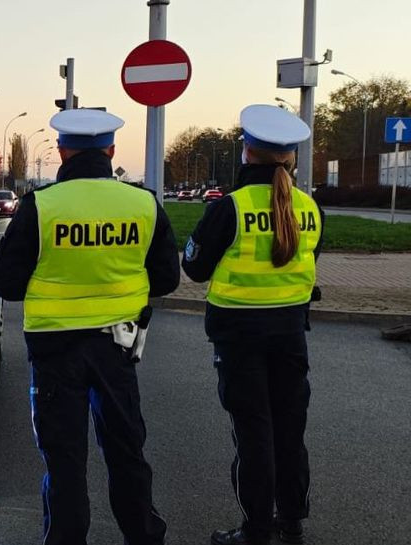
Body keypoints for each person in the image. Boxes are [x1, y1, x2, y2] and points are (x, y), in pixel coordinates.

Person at [0, 108, 179, 545]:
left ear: (61, 151)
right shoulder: (143, 203)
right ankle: (144, 536)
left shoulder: (42, 206)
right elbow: (167, 279)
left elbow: (8, 285)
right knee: (127, 453)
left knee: (65, 461)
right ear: (111, 150)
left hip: (55, 354)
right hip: (118, 347)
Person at [181, 105, 323, 545]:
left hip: (239, 338)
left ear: (247, 153)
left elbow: (196, 268)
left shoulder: (230, 208)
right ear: (290, 158)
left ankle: (256, 530)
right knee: (289, 429)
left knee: (254, 433)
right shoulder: (310, 209)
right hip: (290, 335)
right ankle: (292, 521)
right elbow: (306, 266)